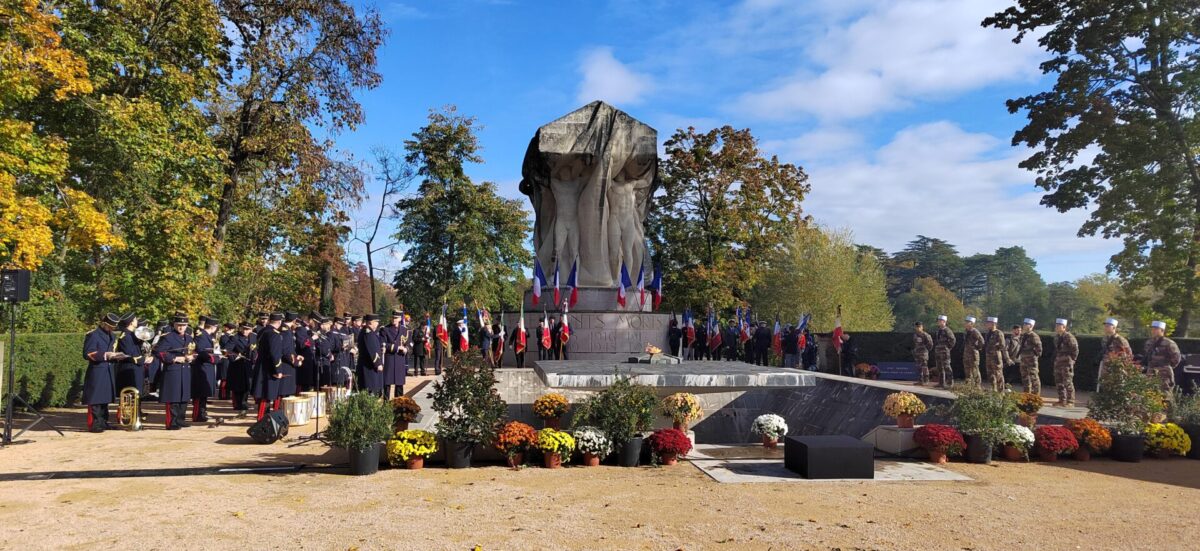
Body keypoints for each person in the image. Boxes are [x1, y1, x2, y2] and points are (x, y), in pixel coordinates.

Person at [82, 313, 124, 432]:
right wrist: (105, 355)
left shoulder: (112, 335)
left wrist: (116, 356)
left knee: (105, 397)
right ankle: (94, 423)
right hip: (97, 369)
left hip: (108, 369)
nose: (112, 329)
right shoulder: (93, 335)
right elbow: (87, 353)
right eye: (110, 326)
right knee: (95, 398)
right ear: (104, 324)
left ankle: (103, 421)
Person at [155, 314, 195, 430]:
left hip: (185, 370)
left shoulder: (189, 338)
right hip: (173, 370)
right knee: (173, 397)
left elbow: (193, 351)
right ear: (174, 325)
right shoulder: (168, 337)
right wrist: (174, 358)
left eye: (183, 325)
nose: (181, 327)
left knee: (184, 396)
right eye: (179, 325)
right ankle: (171, 422)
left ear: (187, 325)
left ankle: (180, 419)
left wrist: (192, 357)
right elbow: (159, 352)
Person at [252, 313, 284, 420]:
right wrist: (278, 370)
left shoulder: (262, 331)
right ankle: (262, 420)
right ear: (279, 322)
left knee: (264, 395)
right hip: (269, 369)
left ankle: (263, 418)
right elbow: (274, 354)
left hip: (261, 366)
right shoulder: (274, 334)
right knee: (266, 395)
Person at [191, 316, 220, 422]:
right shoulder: (202, 336)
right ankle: (197, 414)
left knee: (204, 393)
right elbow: (201, 351)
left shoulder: (209, 336)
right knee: (200, 393)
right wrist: (214, 359)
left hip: (207, 367)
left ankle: (202, 412)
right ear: (214, 327)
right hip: (202, 367)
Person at [226, 322, 254, 417]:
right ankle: (238, 404)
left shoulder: (253, 337)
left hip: (248, 364)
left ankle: (244, 403)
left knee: (247, 385)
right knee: (238, 386)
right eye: (244, 329)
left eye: (248, 329)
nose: (245, 331)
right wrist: (236, 356)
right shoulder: (235, 337)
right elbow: (227, 350)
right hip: (237, 365)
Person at [1144, 320, 1181, 391]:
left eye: (1156, 329)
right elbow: (1148, 355)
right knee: (1150, 393)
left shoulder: (1169, 343)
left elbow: (1176, 358)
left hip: (1164, 373)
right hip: (1151, 372)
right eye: (1152, 329)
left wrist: (1166, 367)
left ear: (1162, 330)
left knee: (1165, 395)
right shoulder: (1149, 342)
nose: (1153, 331)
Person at [1097, 318, 1133, 392]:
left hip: (1116, 365)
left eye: (1108, 326)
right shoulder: (1105, 339)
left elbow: (1128, 352)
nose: (1105, 328)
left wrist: (1124, 364)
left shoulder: (1120, 339)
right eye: (1105, 326)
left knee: (1116, 384)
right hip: (1106, 364)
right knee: (1104, 382)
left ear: (1114, 327)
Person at [1052, 319, 1079, 407]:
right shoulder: (1057, 337)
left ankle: (1070, 401)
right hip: (1058, 361)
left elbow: (1075, 349)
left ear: (1064, 327)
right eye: (1056, 325)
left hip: (1067, 362)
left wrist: (1072, 360)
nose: (1056, 327)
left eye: (1059, 325)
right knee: (1058, 381)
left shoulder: (1069, 337)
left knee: (1067, 381)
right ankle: (1061, 400)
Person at [380, 310, 406, 399]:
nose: (394, 320)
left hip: (400, 359)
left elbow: (409, 343)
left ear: (400, 319)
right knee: (387, 384)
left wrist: (407, 349)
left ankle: (399, 405)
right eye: (393, 318)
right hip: (389, 359)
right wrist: (397, 348)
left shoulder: (404, 329)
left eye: (396, 318)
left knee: (399, 384)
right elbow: (383, 344)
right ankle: (386, 406)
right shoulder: (385, 329)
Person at [358, 314, 385, 395]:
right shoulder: (368, 333)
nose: (377, 324)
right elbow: (372, 350)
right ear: (370, 323)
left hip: (368, 366)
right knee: (371, 391)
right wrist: (378, 364)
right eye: (376, 322)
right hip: (369, 368)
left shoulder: (367, 332)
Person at [982, 317, 1010, 391]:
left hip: (996, 357)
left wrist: (995, 347)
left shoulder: (998, 333)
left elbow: (1002, 345)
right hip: (988, 357)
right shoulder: (988, 333)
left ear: (994, 324)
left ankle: (1000, 392)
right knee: (990, 374)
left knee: (998, 374)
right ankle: (993, 389)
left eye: (989, 323)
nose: (987, 324)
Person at [1017, 318, 1043, 395]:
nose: (1024, 325)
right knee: (1025, 377)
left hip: (1031, 360)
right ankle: (1026, 393)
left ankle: (1036, 394)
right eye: (1024, 324)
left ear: (1031, 326)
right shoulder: (1024, 335)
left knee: (1034, 377)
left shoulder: (1034, 336)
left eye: (1026, 324)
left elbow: (1039, 348)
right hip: (1024, 359)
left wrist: (1034, 356)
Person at [278, 312, 300, 399]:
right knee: (284, 392)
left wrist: (296, 355)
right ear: (294, 320)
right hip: (286, 364)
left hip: (286, 362)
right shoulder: (286, 332)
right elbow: (286, 351)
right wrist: (295, 361)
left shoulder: (285, 329)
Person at [933, 315, 956, 388]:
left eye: (940, 321)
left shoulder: (947, 330)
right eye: (938, 321)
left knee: (947, 367)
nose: (938, 322)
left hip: (945, 352)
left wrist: (948, 348)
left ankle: (950, 383)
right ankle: (941, 383)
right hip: (938, 351)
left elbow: (953, 340)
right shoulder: (938, 331)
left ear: (944, 322)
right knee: (939, 367)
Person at [961, 316, 984, 389]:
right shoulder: (966, 331)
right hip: (966, 353)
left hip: (973, 354)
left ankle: (977, 385)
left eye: (968, 322)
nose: (966, 324)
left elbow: (982, 341)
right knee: (967, 369)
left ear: (972, 324)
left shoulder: (975, 331)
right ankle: (968, 385)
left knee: (975, 369)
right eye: (966, 322)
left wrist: (977, 347)